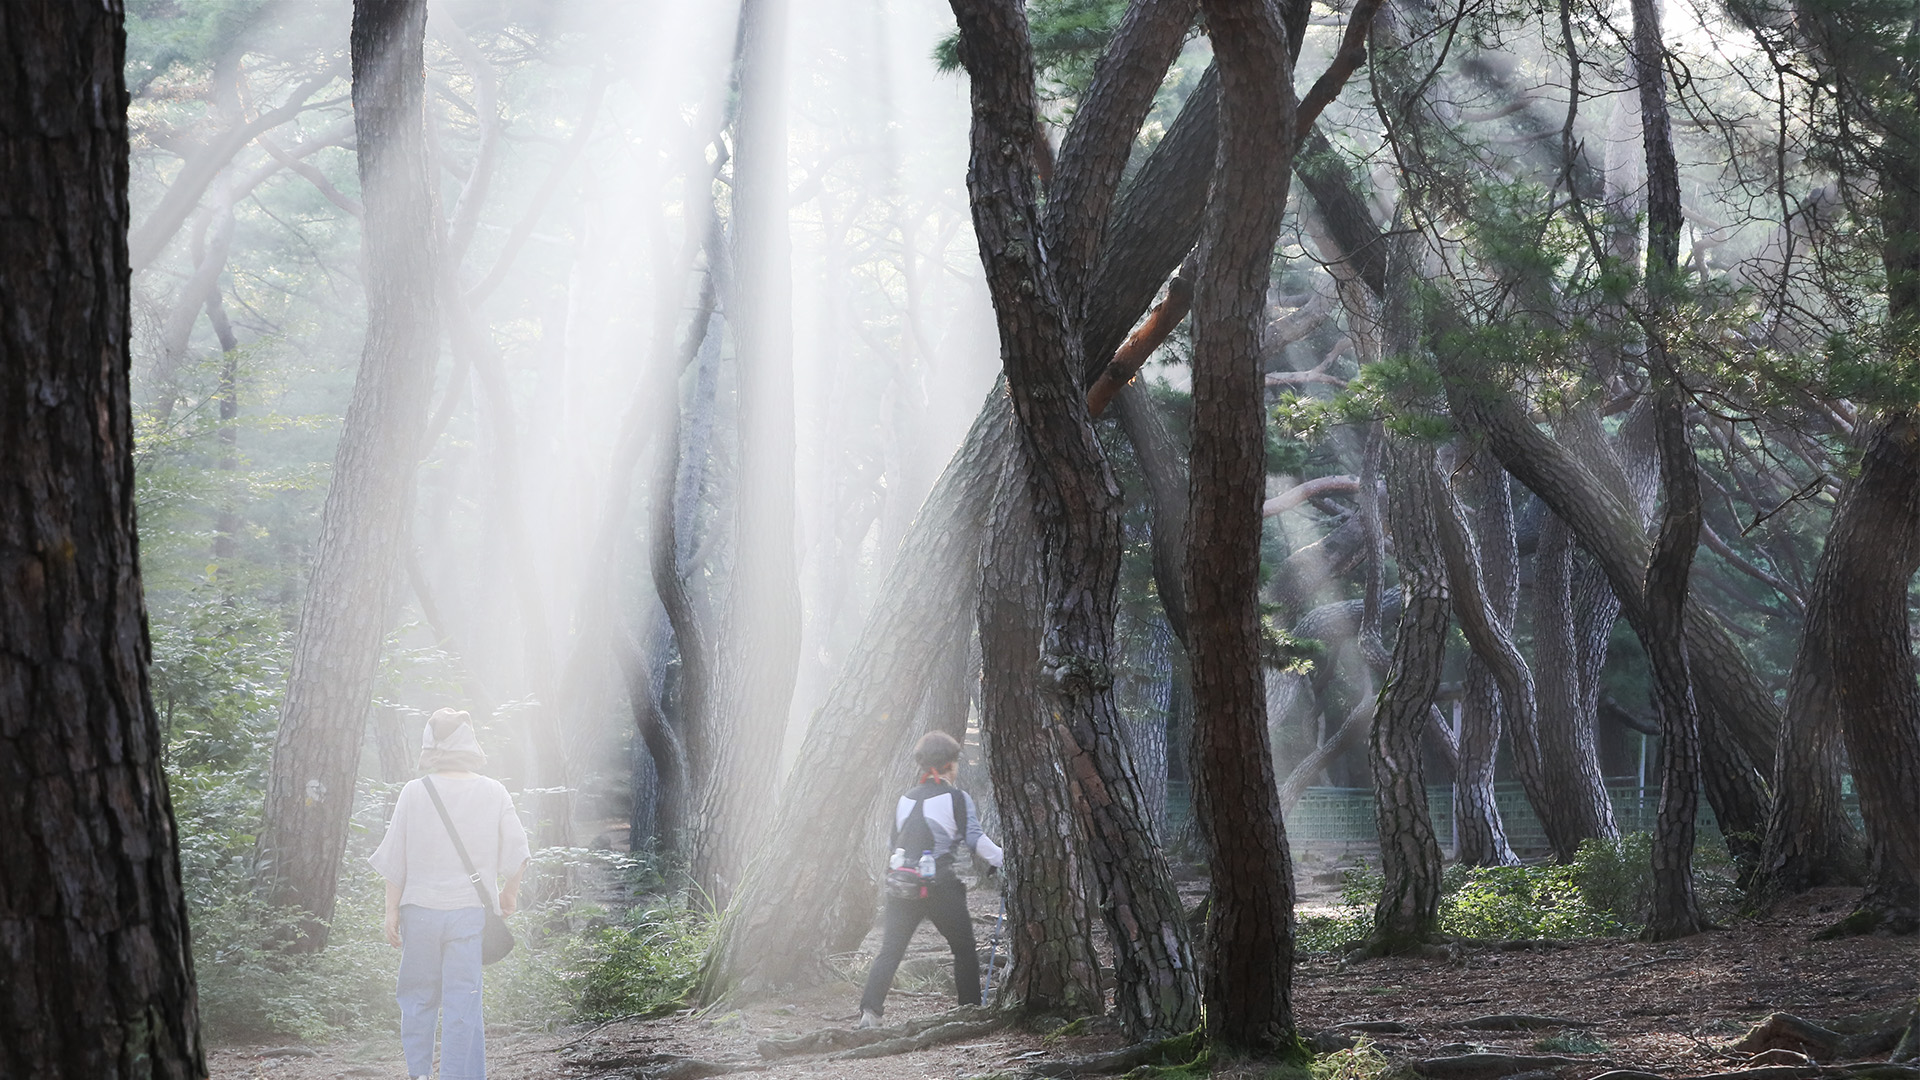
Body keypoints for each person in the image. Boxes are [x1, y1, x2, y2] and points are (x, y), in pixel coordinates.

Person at [369, 709, 531, 1080]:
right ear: (469, 742)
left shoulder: (414, 791)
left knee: (417, 998)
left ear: (430, 744)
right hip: (469, 913)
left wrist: (391, 910)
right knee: (463, 1003)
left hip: (418, 913)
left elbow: (396, 858)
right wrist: (508, 894)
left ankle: (420, 1075)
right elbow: (518, 851)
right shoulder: (493, 792)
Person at [857, 731, 1003, 1028]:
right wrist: (1005, 859)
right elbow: (976, 840)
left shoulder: (905, 799)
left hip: (902, 885)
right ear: (950, 764)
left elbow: (892, 843)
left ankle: (869, 1013)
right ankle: (969, 1012)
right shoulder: (957, 798)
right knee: (964, 950)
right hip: (940, 887)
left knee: (890, 950)